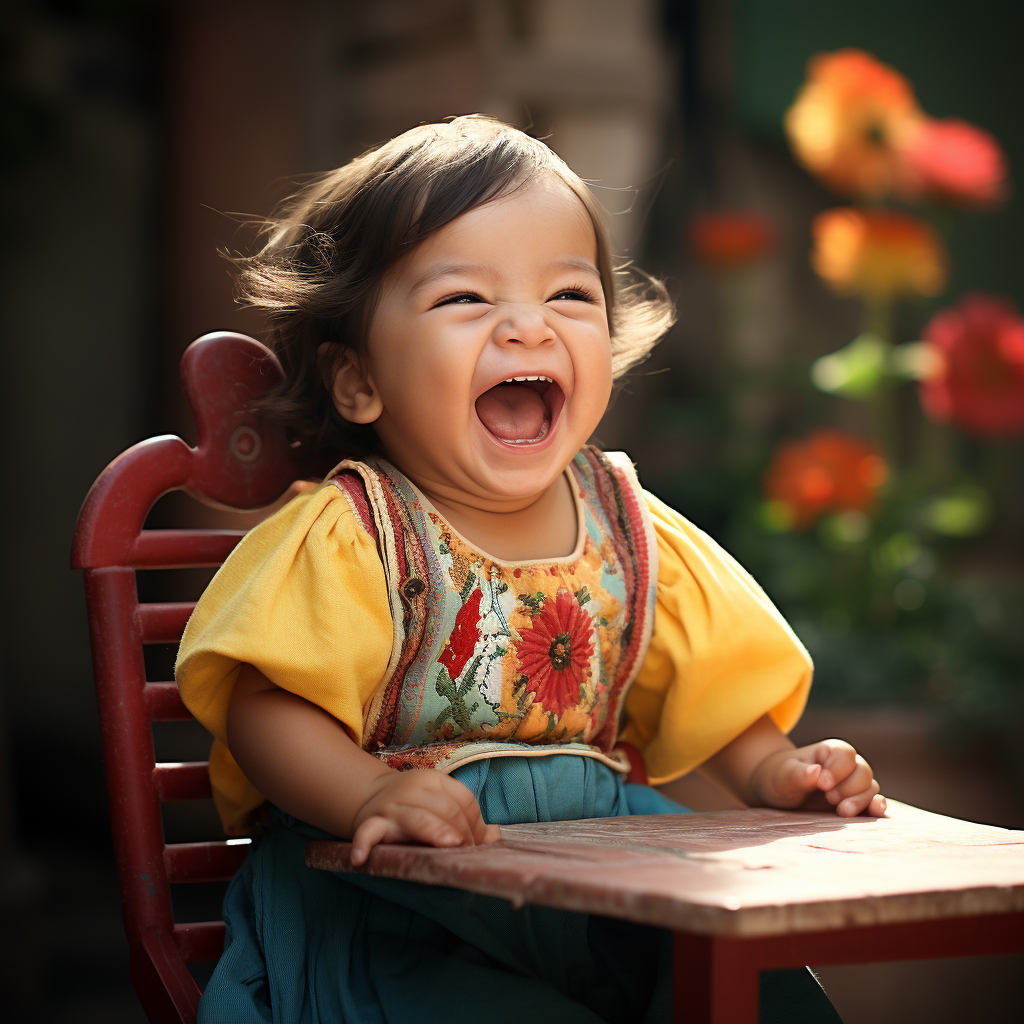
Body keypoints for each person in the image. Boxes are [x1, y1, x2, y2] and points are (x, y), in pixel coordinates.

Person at [177, 115, 881, 1023]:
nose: (527, 327)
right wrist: (373, 794)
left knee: (768, 992)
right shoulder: (360, 534)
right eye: (465, 299)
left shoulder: (628, 529)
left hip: (596, 882)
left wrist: (772, 771)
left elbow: (701, 689)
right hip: (397, 903)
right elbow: (266, 707)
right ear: (357, 381)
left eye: (571, 297)